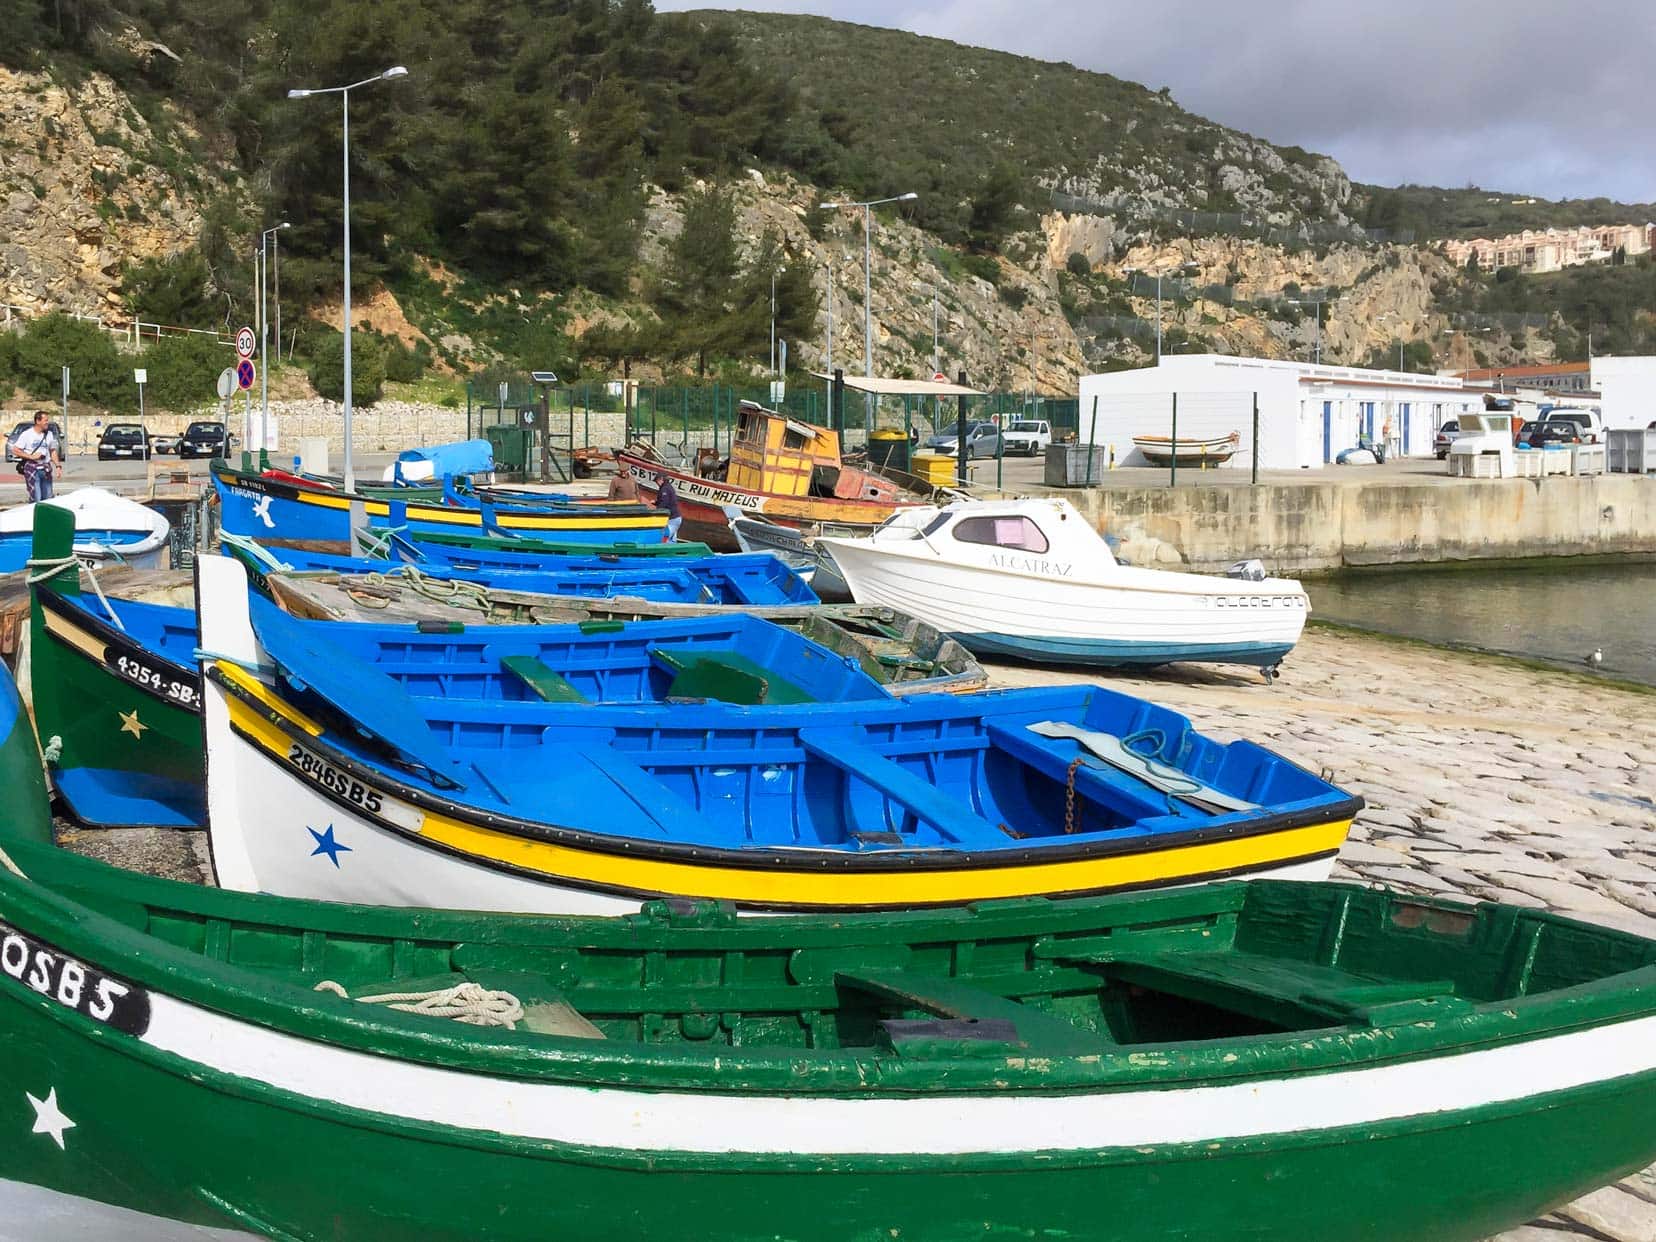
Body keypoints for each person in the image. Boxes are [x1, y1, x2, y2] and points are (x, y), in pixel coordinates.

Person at [11, 411, 60, 503]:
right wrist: (31, 456)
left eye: (47, 420)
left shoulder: (49, 434)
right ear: (38, 421)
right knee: (36, 498)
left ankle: (46, 517)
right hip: (32, 468)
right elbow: (15, 450)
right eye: (45, 420)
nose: (47, 423)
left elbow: (52, 451)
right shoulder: (27, 434)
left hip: (46, 469)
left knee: (48, 498)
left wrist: (58, 466)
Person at [654, 475, 682, 542]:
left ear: (660, 480)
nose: (656, 483)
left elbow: (664, 502)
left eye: (656, 481)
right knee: (672, 539)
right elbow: (668, 500)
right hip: (676, 518)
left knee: (665, 538)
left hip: (672, 519)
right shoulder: (669, 486)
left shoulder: (665, 489)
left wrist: (656, 512)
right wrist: (656, 502)